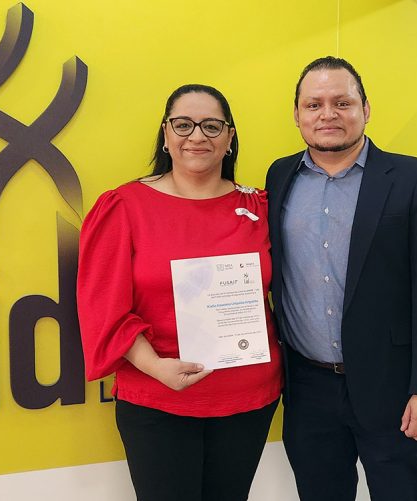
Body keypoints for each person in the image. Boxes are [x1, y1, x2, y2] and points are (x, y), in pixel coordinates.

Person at [265, 56, 417, 501]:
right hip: (307, 387)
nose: (327, 114)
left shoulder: (414, 177)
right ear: (297, 115)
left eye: (341, 102)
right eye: (313, 105)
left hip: (390, 387)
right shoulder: (280, 176)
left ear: (365, 109)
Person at [77, 84, 282, 501]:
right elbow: (102, 303)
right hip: (158, 397)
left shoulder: (259, 207)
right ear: (166, 133)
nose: (197, 136)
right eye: (184, 124)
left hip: (248, 398)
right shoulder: (124, 206)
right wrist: (154, 367)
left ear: (229, 137)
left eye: (211, 125)